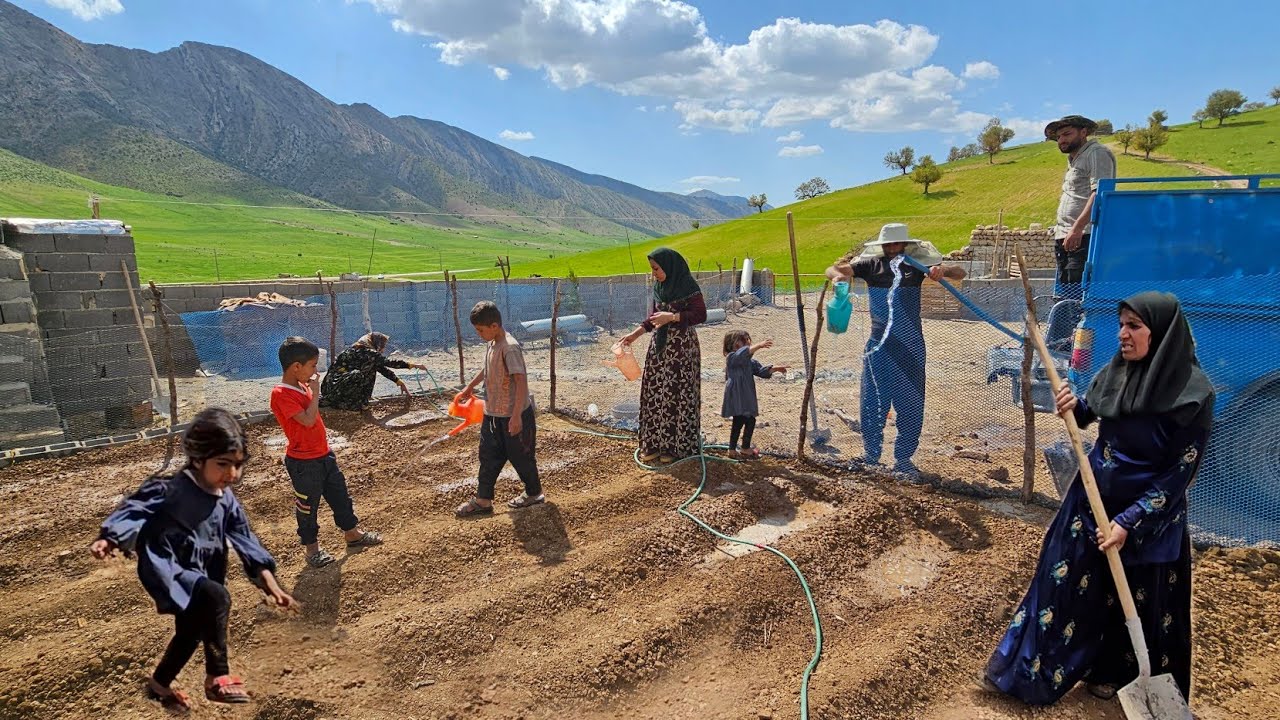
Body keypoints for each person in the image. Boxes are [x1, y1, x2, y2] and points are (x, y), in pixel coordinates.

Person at [980, 291, 1213, 705]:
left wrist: (1130, 521)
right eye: (1122, 324)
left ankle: (1118, 675)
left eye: (1134, 326)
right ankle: (1023, 673)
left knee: (1139, 604)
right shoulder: (1117, 370)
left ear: (1160, 334)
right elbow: (1092, 412)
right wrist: (1072, 403)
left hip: (1148, 518)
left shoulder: (1193, 395)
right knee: (1060, 586)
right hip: (1091, 501)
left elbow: (1180, 474)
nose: (1123, 334)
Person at [90, 408, 298, 711]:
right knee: (216, 597)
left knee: (191, 632)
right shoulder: (170, 489)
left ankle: (159, 687)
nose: (232, 474)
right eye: (223, 464)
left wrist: (272, 587)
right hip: (168, 567)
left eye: (238, 466)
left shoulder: (227, 500)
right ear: (198, 459)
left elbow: (246, 542)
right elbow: (134, 511)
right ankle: (217, 677)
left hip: (203, 571)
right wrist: (108, 538)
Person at [825, 223, 966, 478]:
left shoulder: (915, 265)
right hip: (879, 345)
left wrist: (941, 271)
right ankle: (871, 456)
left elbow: (960, 272)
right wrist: (836, 276)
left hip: (911, 346)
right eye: (887, 245)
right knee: (872, 400)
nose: (891, 249)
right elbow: (834, 268)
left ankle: (903, 459)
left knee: (911, 401)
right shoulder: (871, 265)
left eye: (896, 244)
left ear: (904, 244)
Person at [270, 336, 383, 568]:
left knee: (340, 497)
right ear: (296, 367)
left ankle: (352, 534)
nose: (315, 370)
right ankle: (312, 550)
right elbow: (309, 420)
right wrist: (316, 392)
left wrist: (311, 390)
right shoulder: (281, 394)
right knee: (307, 506)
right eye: (312, 365)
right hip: (303, 462)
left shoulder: (302, 385)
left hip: (323, 455)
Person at [453, 301, 545, 517]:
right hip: (492, 413)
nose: (479, 334)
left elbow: (521, 382)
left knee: (522, 457)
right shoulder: (493, 343)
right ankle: (483, 500)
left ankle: (534, 493)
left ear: (494, 326)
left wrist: (516, 418)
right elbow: (487, 368)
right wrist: (469, 387)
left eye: (481, 330)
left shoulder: (509, 347)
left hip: (513, 415)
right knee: (487, 457)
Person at [620, 248, 708, 464]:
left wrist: (674, 317)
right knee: (655, 393)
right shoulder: (659, 287)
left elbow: (700, 314)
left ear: (669, 266)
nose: (654, 273)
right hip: (660, 350)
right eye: (652, 269)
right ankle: (654, 445)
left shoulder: (687, 285)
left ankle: (675, 448)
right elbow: (654, 318)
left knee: (676, 394)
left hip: (682, 351)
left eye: (656, 269)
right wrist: (635, 334)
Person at [1045, 115, 1116, 301]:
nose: (1061, 140)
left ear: (1083, 132)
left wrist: (1077, 229)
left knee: (1079, 292)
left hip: (1084, 236)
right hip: (1066, 236)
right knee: (1067, 291)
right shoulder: (1074, 159)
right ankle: (1072, 330)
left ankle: (1082, 330)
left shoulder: (1096, 153)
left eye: (1067, 134)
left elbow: (1099, 193)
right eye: (1058, 137)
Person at [721, 330, 788, 460]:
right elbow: (742, 354)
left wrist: (775, 368)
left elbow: (761, 371)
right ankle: (733, 448)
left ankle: (743, 447)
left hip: (746, 394)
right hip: (737, 394)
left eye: (747, 340)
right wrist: (758, 346)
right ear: (732, 345)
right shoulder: (732, 358)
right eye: (742, 340)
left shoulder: (750, 363)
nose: (747, 343)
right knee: (739, 420)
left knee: (749, 419)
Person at [320, 332, 428, 410]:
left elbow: (381, 368)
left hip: (330, 388)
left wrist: (399, 382)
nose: (383, 348)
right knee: (362, 374)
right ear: (377, 343)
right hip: (339, 389)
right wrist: (414, 365)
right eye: (383, 345)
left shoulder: (353, 350)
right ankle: (354, 403)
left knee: (370, 369)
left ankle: (346, 400)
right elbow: (390, 363)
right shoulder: (368, 353)